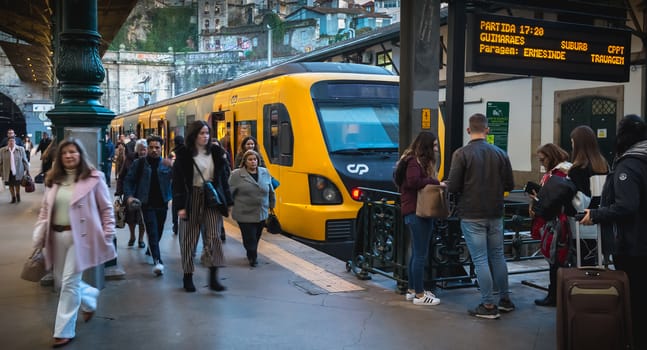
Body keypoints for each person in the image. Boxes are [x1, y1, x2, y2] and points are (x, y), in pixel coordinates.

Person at [31, 138, 117, 348]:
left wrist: (108, 233)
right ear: (59, 157)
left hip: (82, 238)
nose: (69, 156)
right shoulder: (53, 180)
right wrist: (39, 231)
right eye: (65, 153)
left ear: (80, 155)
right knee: (62, 281)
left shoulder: (95, 178)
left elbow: (106, 209)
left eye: (73, 152)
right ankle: (89, 297)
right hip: (56, 236)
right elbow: (45, 209)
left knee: (69, 283)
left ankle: (63, 330)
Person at [580, 114, 647, 349]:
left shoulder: (629, 164)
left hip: (633, 245)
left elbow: (627, 206)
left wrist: (597, 215)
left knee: (636, 299)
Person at [446, 113, 515, 319]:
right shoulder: (501, 153)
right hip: (495, 212)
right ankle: (505, 299)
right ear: (487, 130)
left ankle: (487, 305)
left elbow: (454, 186)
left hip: (471, 213)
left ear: (469, 130)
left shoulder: (461, 154)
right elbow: (510, 185)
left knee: (480, 259)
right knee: (498, 256)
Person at [172, 120, 232, 292]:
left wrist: (227, 201)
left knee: (214, 236)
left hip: (211, 198)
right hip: (191, 198)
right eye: (201, 133)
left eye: (207, 133)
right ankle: (188, 276)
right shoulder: (183, 154)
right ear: (194, 135)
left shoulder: (216, 152)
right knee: (189, 239)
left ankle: (213, 278)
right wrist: (180, 207)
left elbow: (222, 181)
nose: (205, 136)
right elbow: (177, 184)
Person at [395, 131, 441, 306]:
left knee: (416, 253)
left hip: (412, 211)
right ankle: (420, 295)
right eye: (434, 146)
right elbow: (413, 182)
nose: (436, 149)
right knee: (420, 254)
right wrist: (436, 182)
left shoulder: (409, 160)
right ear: (427, 146)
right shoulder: (414, 162)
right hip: (418, 212)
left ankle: (412, 290)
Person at [528, 143, 572, 307]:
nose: (541, 163)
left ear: (551, 156)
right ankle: (556, 293)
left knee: (555, 259)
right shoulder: (565, 171)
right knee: (559, 260)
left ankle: (554, 295)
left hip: (556, 223)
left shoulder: (558, 174)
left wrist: (538, 201)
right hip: (562, 221)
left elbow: (552, 200)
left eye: (542, 159)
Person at [124, 135, 173, 276]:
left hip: (162, 203)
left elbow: (179, 178)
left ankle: (152, 249)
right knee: (152, 230)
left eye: (157, 147)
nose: (154, 150)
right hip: (146, 203)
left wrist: (174, 167)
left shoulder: (165, 164)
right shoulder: (139, 164)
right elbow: (129, 180)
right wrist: (129, 196)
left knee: (159, 230)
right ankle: (157, 261)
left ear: (161, 148)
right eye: (151, 147)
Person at [568, 125, 609, 266]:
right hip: (601, 222)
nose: (572, 146)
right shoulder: (603, 164)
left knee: (582, 267)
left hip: (581, 225)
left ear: (578, 144)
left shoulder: (577, 169)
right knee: (598, 267)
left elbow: (578, 202)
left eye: (572, 142)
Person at [229, 149, 275, 267]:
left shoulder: (265, 172)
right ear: (245, 161)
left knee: (256, 235)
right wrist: (229, 206)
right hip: (243, 212)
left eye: (255, 159)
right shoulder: (236, 175)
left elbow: (270, 190)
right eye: (250, 160)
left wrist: (271, 205)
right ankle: (252, 256)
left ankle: (251, 252)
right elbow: (229, 192)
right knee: (249, 237)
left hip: (261, 212)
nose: (253, 162)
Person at [115, 139, 148, 249]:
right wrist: (119, 191)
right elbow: (122, 176)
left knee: (143, 218)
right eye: (140, 149)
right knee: (131, 218)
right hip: (130, 193)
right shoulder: (129, 158)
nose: (143, 152)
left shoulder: (150, 160)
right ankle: (132, 236)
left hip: (144, 193)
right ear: (137, 150)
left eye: (144, 149)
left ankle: (141, 239)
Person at [0, 136, 30, 203]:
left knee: (17, 184)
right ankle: (13, 197)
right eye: (10, 141)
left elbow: (25, 160)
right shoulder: (2, 150)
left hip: (18, 170)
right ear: (7, 142)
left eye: (13, 141)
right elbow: (0, 162)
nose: (11, 142)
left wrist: (27, 170)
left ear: (15, 142)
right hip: (7, 171)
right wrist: (1, 172)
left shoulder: (20, 149)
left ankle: (18, 195)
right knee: (10, 185)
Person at [169, 135, 184, 235]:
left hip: (175, 183)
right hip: (185, 184)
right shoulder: (188, 152)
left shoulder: (172, 153)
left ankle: (175, 223)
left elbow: (169, 167)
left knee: (175, 205)